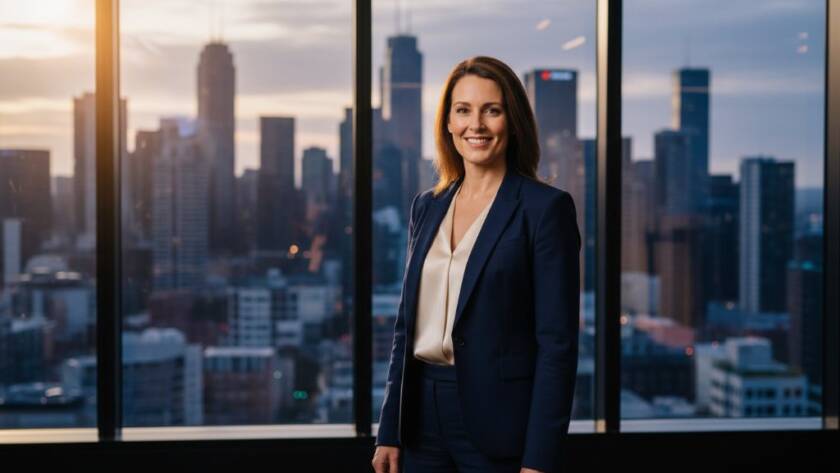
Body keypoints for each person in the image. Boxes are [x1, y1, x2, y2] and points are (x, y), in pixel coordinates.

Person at [371, 56, 581, 473]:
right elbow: (405, 329)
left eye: (492, 110)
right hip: (420, 420)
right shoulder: (427, 206)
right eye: (463, 110)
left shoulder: (544, 209)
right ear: (448, 123)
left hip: (499, 422)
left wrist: (539, 459)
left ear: (513, 122)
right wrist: (389, 430)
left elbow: (557, 346)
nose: (476, 125)